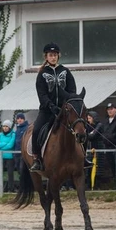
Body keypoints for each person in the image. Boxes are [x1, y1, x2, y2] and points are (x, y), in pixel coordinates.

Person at [30, 43, 78, 172]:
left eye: (55, 55)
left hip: (64, 110)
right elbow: (42, 94)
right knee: (36, 130)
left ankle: (83, 157)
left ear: (58, 56)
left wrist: (65, 103)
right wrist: (51, 106)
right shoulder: (42, 73)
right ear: (46, 56)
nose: (53, 57)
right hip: (47, 110)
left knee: (80, 127)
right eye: (51, 55)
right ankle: (36, 159)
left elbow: (72, 90)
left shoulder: (65, 71)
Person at [0, 120, 15, 192]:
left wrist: (2, 145)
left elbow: (11, 145)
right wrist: (6, 144)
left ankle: (10, 189)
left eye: (7, 126)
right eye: (4, 126)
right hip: (1, 157)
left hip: (10, 157)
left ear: (9, 127)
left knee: (10, 173)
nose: (5, 128)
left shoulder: (13, 134)